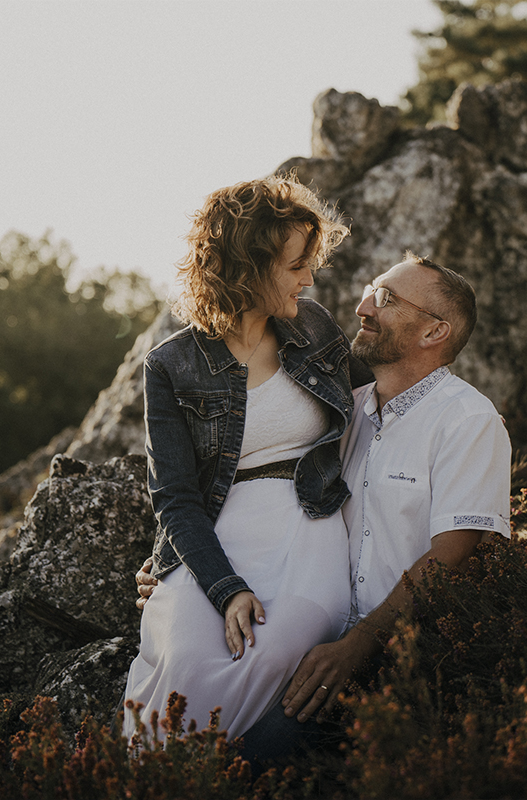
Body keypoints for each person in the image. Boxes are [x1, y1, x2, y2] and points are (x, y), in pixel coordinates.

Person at [136, 253, 512, 756]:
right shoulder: (345, 411)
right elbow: (245, 478)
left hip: (398, 648)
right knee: (187, 704)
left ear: (433, 333)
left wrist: (358, 648)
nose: (361, 307)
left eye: (386, 298)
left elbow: (455, 555)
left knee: (253, 759)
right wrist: (181, 561)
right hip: (314, 634)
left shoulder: (467, 420)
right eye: (371, 288)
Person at [121, 175, 362, 744]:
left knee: (277, 651)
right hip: (218, 534)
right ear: (247, 267)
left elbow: (378, 396)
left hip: (308, 521)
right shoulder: (171, 366)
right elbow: (176, 500)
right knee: (183, 670)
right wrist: (226, 587)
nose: (309, 278)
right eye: (296, 265)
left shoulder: (315, 327)